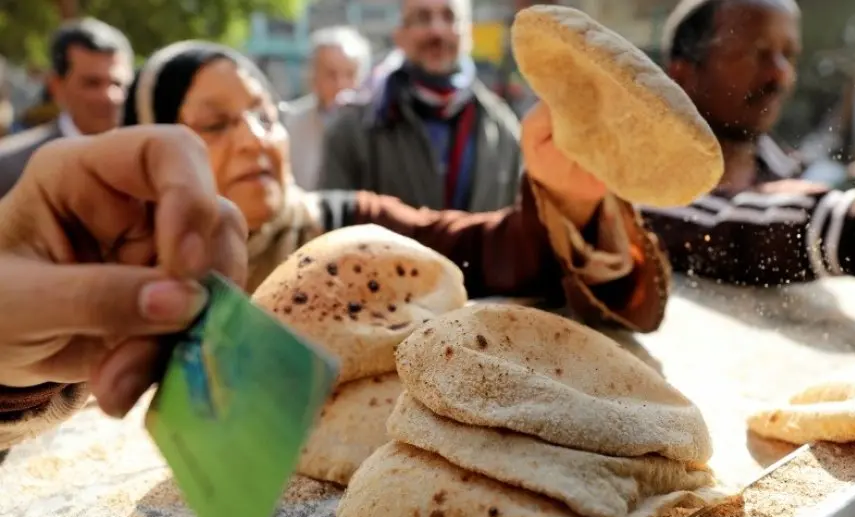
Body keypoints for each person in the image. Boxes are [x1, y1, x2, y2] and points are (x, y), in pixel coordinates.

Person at [0, 39, 671, 447]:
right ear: (146, 148)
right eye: (214, 123)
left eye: (265, 113)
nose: (256, 138)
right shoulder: (113, 275)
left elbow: (494, 251)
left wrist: (568, 194)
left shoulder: (347, 227)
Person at [641, 0, 855, 285]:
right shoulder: (636, 174)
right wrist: (854, 228)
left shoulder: (786, 169)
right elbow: (719, 226)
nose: (781, 74)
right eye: (757, 53)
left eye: (788, 55)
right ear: (682, 73)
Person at [318, 0, 521, 213]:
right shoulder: (355, 130)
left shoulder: (504, 131)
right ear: (400, 35)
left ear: (468, 32)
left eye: (449, 16)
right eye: (422, 18)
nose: (436, 31)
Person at [0, 18, 133, 199]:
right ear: (57, 87)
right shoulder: (11, 167)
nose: (109, 96)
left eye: (118, 84)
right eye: (92, 83)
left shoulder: (151, 160)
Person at [282, 26, 371, 190]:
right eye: (331, 74)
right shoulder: (289, 124)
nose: (341, 85)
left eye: (350, 75)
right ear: (313, 77)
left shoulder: (378, 127)